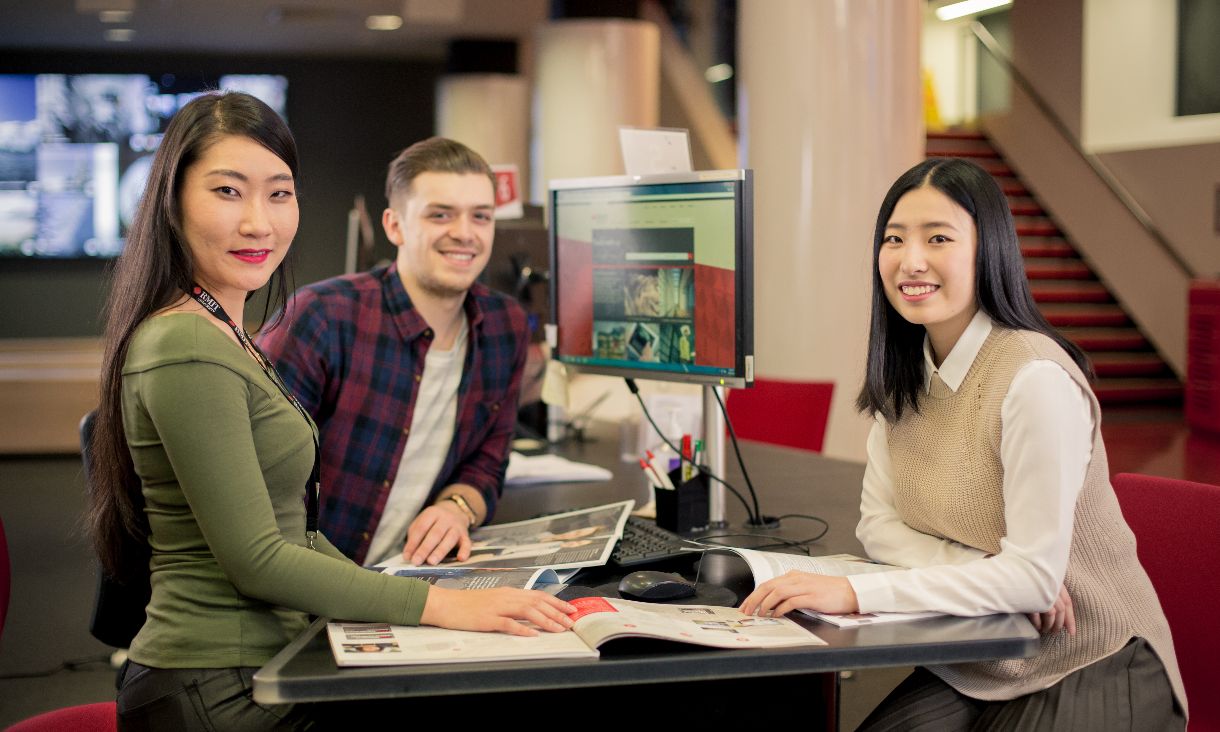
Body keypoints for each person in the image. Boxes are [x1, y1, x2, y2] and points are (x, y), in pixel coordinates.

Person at [86, 92, 574, 731]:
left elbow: (297, 529)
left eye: (279, 194)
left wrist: (430, 599)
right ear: (172, 204)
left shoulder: (227, 331)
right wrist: (439, 607)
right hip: (218, 685)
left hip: (280, 654)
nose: (259, 223)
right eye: (229, 192)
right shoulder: (187, 341)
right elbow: (258, 557)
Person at [741, 158, 1187, 730]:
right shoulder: (905, 376)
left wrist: (853, 592)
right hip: (983, 654)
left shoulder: (1034, 379)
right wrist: (991, 570)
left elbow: (1033, 580)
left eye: (939, 238)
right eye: (894, 239)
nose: (911, 260)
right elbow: (880, 526)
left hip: (1093, 654)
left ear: (989, 251)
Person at [258, 137, 527, 568]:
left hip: (408, 582)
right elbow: (255, 487)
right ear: (394, 226)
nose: (465, 233)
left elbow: (488, 461)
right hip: (297, 592)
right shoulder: (323, 317)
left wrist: (457, 507)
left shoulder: (504, 326)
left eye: (481, 216)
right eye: (440, 215)